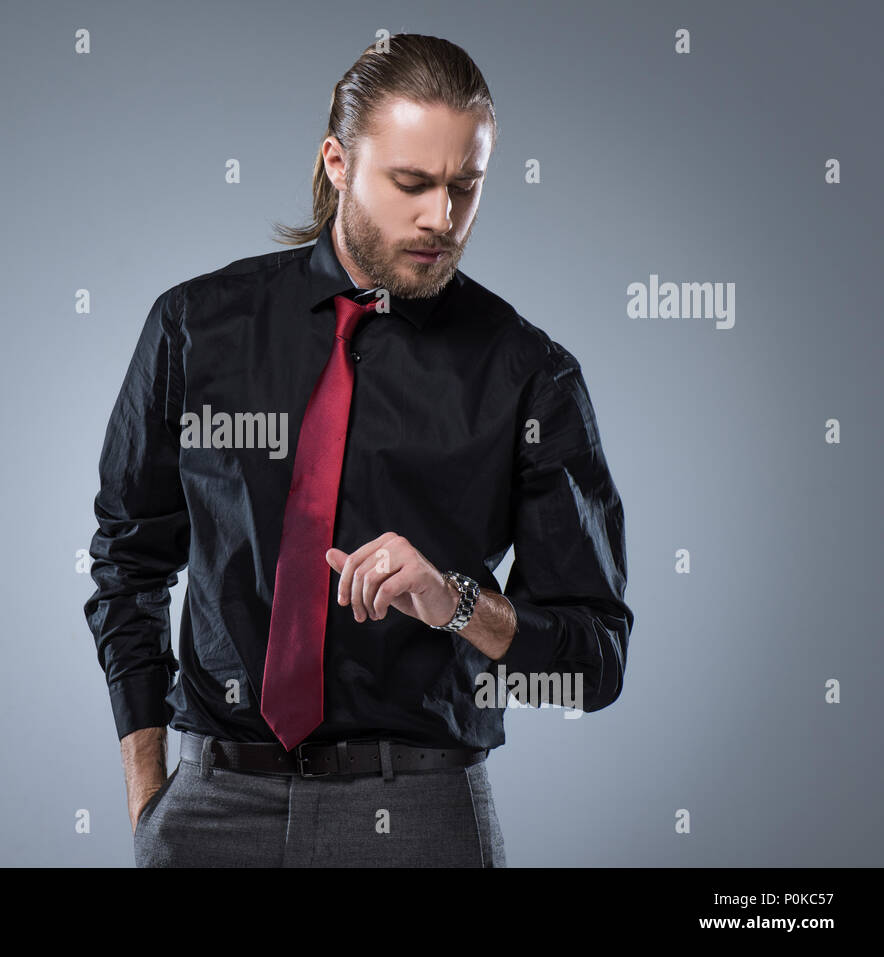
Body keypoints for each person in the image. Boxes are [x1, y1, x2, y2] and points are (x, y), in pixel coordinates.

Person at [83, 34, 632, 867]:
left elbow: (596, 662)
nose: (440, 220)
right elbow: (127, 564)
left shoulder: (531, 376)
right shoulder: (194, 328)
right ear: (337, 162)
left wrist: (457, 602)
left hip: (417, 815)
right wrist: (151, 799)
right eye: (411, 184)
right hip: (211, 808)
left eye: (465, 187)